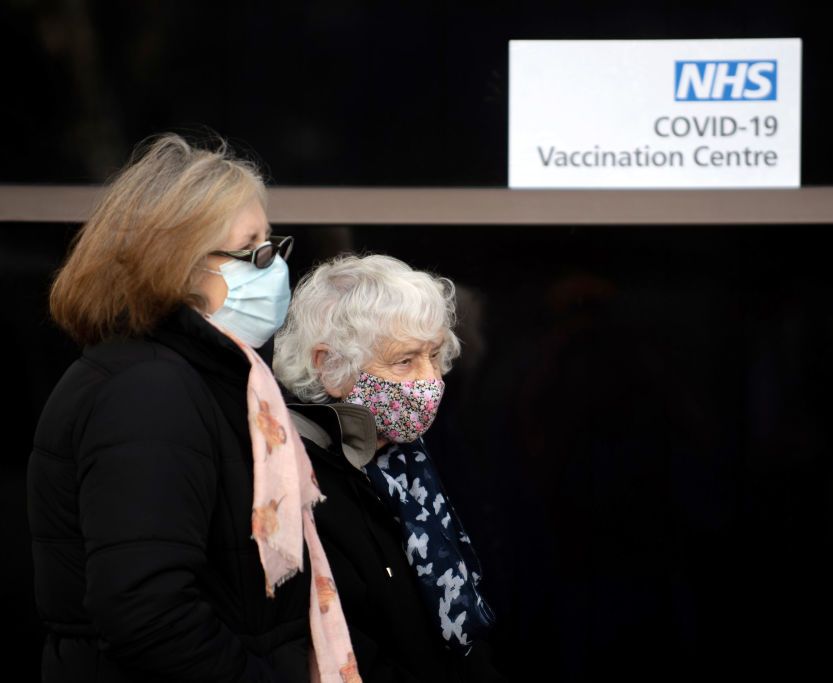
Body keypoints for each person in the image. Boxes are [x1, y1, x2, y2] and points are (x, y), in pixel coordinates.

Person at [27, 133, 359, 682]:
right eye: (251, 250)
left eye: (272, 245)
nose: (272, 266)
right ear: (174, 265)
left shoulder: (214, 378)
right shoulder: (147, 392)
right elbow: (149, 613)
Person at [274, 254, 504, 682]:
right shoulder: (297, 481)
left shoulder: (411, 462)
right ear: (329, 366)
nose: (430, 379)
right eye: (405, 361)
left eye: (434, 355)